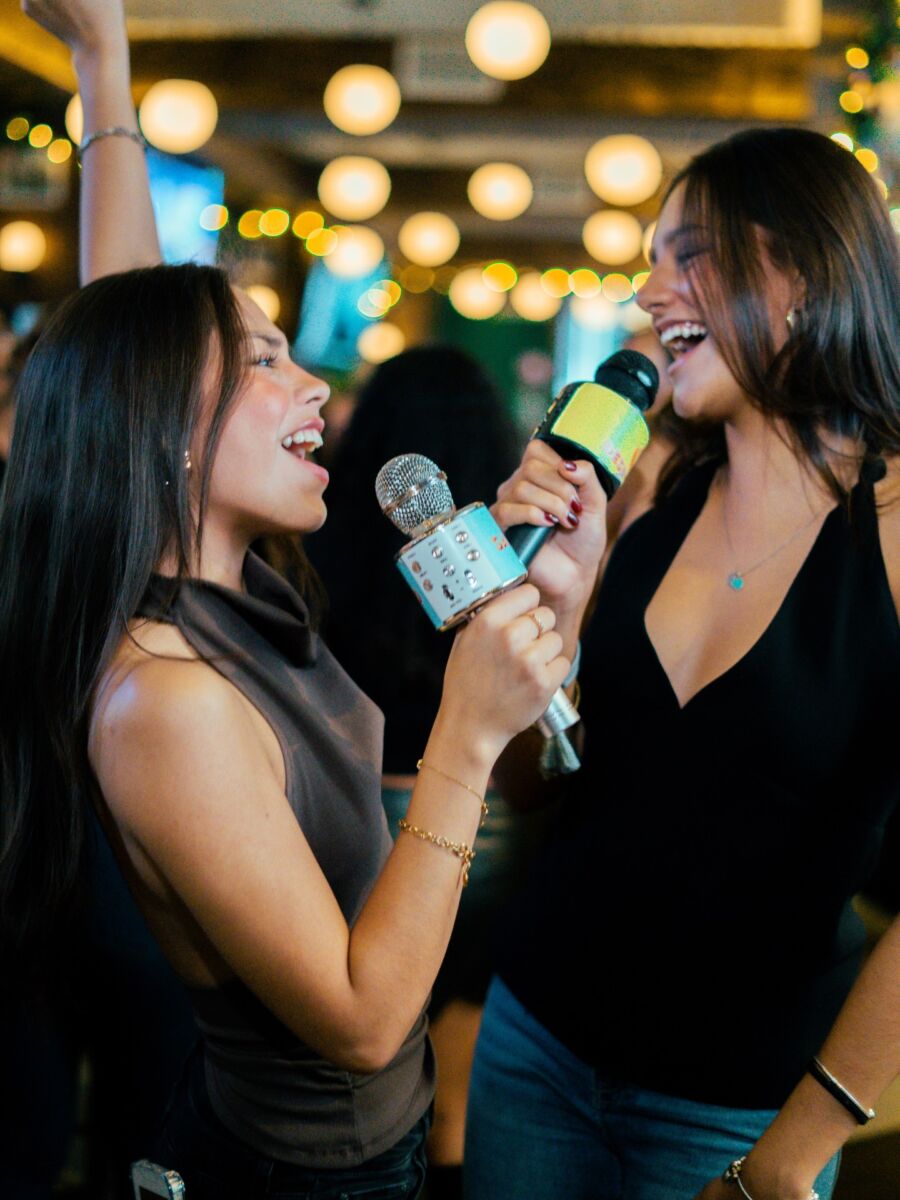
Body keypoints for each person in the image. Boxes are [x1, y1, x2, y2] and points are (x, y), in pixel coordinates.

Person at [1, 3, 602, 1197]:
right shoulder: (162, 697)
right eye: (268, 357)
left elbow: (133, 325)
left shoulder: (238, 593)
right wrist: (466, 736)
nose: (315, 384)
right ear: (168, 426)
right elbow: (367, 1022)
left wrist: (104, 61)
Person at [466, 127, 900, 1200]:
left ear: (804, 268)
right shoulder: (649, 501)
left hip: (733, 1111)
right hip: (533, 1044)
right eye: (653, 257)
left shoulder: (892, 530)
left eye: (688, 251)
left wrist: (794, 1155)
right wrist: (552, 613)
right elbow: (543, 787)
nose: (651, 289)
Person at [307, 346, 551, 1197]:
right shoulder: (504, 543)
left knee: (370, 1070)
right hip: (489, 821)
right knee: (459, 1072)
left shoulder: (323, 537)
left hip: (361, 818)